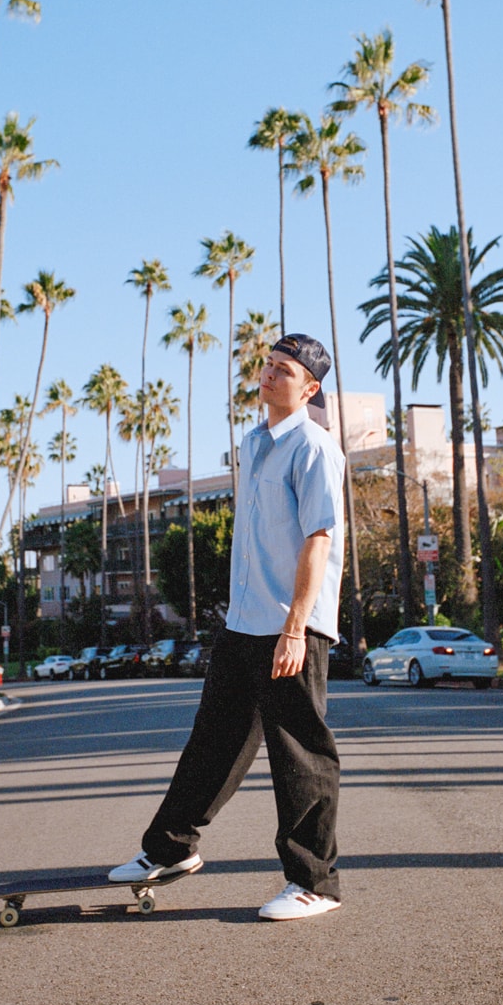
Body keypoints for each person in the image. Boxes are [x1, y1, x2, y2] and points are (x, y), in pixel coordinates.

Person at [109, 333, 345, 921]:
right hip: (244, 622)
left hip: (292, 625)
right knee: (214, 740)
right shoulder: (254, 442)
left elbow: (320, 538)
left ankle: (314, 882)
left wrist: (296, 627)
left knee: (300, 752)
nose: (269, 376)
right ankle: (170, 849)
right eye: (267, 365)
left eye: (284, 370)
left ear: (310, 387)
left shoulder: (315, 448)